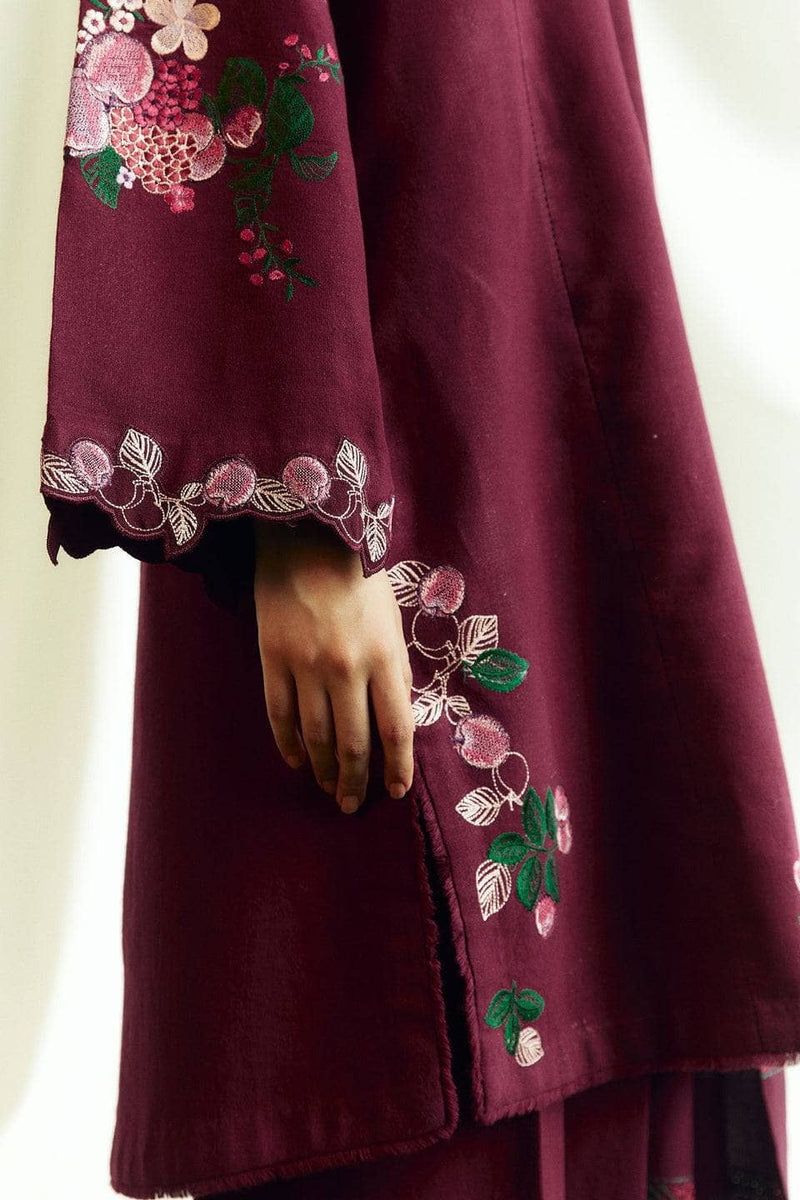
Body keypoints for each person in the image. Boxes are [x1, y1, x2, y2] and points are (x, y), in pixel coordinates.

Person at [40, 0, 800, 1196]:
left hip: (529, 387)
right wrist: (298, 520)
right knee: (384, 1017)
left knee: (629, 927)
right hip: (367, 481)